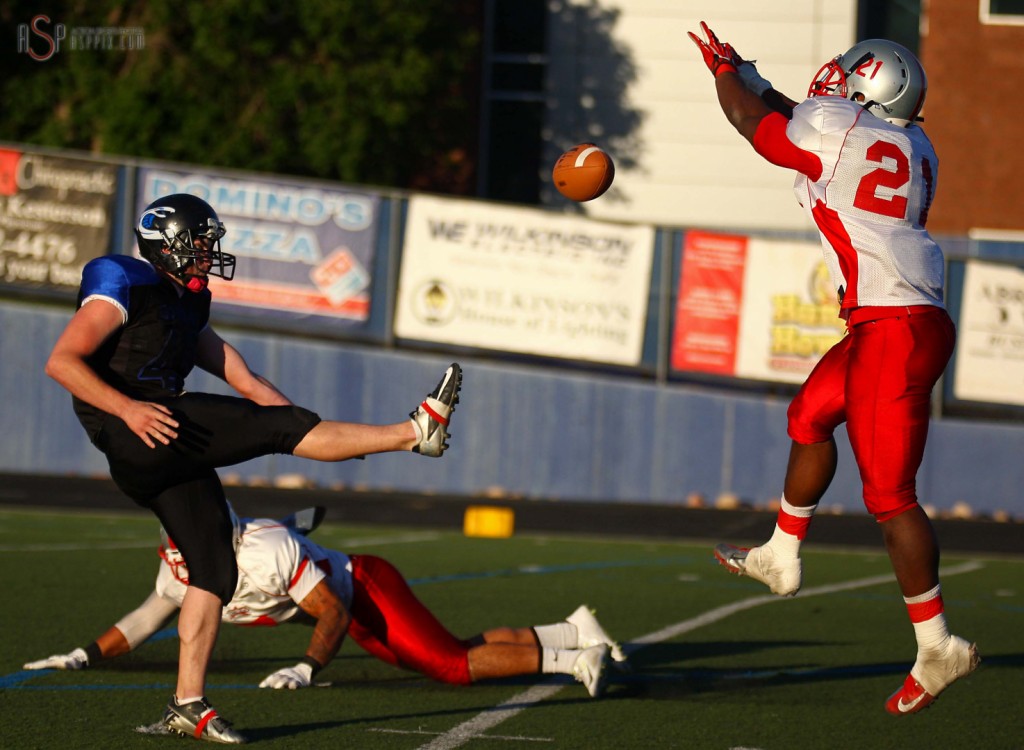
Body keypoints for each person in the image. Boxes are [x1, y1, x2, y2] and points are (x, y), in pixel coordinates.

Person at [43, 193, 463, 743]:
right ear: (164, 244)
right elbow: (61, 361)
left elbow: (245, 382)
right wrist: (128, 408)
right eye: (198, 244)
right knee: (278, 432)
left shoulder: (188, 303)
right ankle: (413, 432)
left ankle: (186, 704)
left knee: (214, 571)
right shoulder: (124, 282)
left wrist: (310, 431)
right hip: (140, 428)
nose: (207, 253)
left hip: (164, 447)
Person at [687, 23, 979, 714]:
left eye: (848, 79)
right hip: (904, 319)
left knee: (891, 498)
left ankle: (935, 644)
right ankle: (782, 553)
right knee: (811, 412)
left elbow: (754, 124)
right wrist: (756, 82)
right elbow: (807, 120)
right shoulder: (915, 145)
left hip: (893, 328)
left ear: (862, 90)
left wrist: (727, 73)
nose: (835, 84)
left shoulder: (839, 127)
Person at [23, 505, 625, 724]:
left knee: (448, 665)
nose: (180, 557)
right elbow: (144, 618)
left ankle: (574, 661)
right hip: (345, 601)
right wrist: (84, 653)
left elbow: (331, 612)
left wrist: (307, 667)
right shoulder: (182, 569)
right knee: (448, 648)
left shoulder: (262, 551)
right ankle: (573, 630)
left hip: (362, 587)